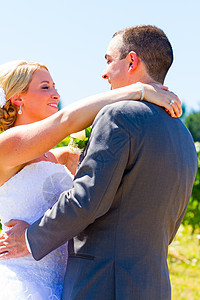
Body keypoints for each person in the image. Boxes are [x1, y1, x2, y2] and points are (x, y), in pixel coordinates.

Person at [0, 24, 195, 299]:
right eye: (45, 87)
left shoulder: (118, 117)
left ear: (131, 61)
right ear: (16, 98)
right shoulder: (183, 135)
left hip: (100, 282)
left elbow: (86, 201)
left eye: (108, 61)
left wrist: (31, 238)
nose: (103, 73)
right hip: (149, 282)